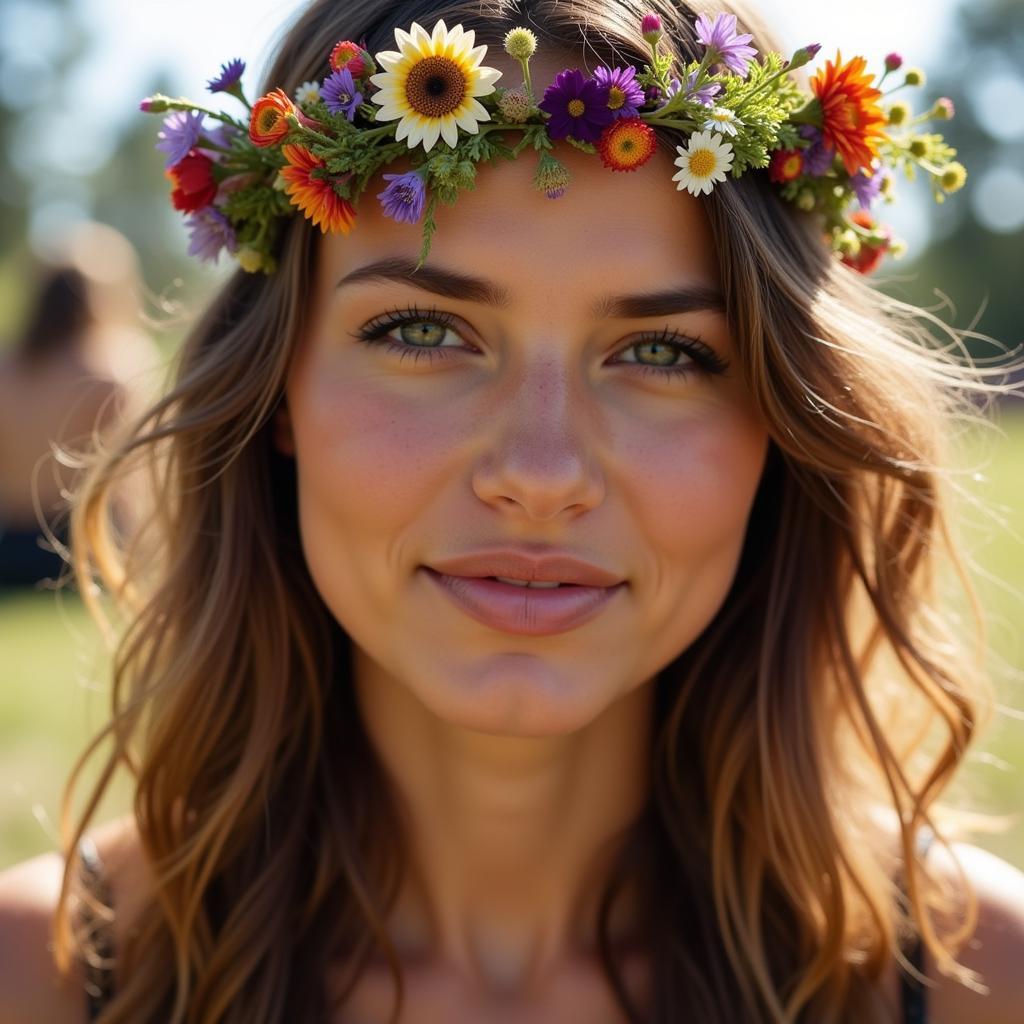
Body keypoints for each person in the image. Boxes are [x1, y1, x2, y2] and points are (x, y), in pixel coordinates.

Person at [1, 0, 1023, 1021]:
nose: (540, 472)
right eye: (422, 330)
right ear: (279, 392)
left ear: (783, 422)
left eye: (663, 353)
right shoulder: (39, 978)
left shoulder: (982, 980)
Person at [0, 223, 160, 588]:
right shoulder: (116, 365)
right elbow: (133, 479)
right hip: (84, 554)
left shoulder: (6, 371)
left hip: (9, 550)